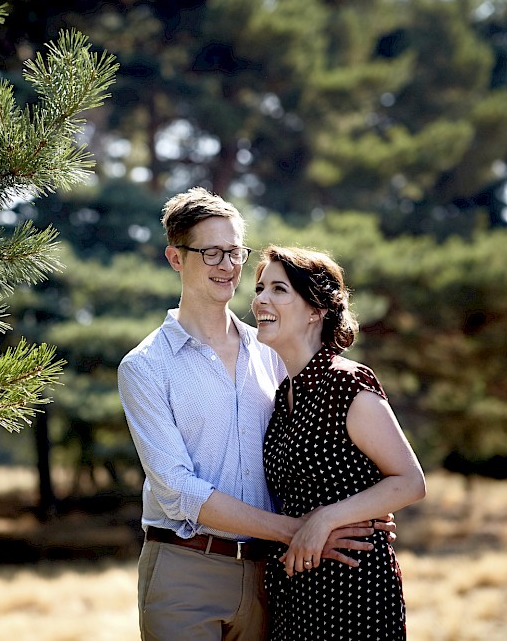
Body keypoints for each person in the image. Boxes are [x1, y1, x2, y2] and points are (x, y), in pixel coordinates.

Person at [118, 187, 395, 641]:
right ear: (175, 258)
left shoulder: (271, 351)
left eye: (234, 252)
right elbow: (178, 490)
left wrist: (358, 511)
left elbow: (321, 440)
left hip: (276, 578)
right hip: (186, 570)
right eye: (211, 253)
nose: (227, 267)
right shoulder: (145, 367)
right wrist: (298, 530)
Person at [252, 245, 427, 640]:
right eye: (260, 288)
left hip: (353, 591)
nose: (260, 298)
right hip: (295, 592)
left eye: (279, 289)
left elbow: (410, 481)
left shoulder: (347, 383)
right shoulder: (284, 396)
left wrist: (326, 518)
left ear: (316, 310)